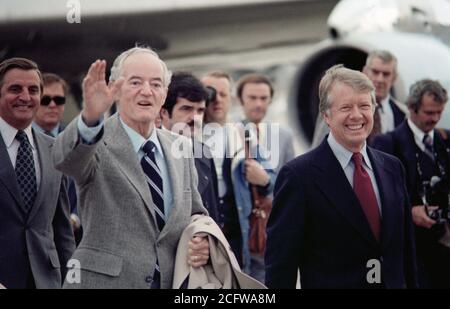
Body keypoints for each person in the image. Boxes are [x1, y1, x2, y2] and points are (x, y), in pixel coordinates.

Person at [52, 47, 209, 289]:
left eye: (156, 84)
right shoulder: (96, 140)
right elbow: (65, 160)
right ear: (115, 88)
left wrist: (200, 235)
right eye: (135, 82)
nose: (146, 91)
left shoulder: (181, 148)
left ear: (165, 93)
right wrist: (90, 118)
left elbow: (195, 212)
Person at [265, 65, 417, 288]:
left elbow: (406, 252)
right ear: (326, 115)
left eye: (364, 106)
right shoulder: (299, 176)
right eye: (346, 107)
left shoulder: (392, 168)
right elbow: (281, 266)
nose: (356, 115)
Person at [0, 58, 75, 289]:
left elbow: (62, 229)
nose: (25, 97)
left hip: (47, 281)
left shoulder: (54, 149)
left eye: (33, 90)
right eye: (15, 89)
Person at [372, 79, 450, 288]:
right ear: (412, 109)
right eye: (429, 113)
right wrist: (411, 211)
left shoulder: (446, 139)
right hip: (410, 250)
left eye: (439, 112)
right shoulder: (386, 143)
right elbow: (379, 196)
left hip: (445, 246)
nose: (435, 119)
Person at [312, 50, 407, 147]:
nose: (380, 79)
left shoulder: (404, 114)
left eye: (386, 74)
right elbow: (318, 149)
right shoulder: (334, 108)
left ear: (394, 78)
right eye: (375, 72)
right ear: (365, 72)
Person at [160, 71, 219, 222]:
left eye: (200, 110)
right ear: (164, 113)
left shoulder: (203, 151)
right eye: (186, 108)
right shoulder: (152, 151)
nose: (195, 117)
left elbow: (213, 211)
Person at [32, 72, 82, 245]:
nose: (52, 105)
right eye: (46, 100)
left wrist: (75, 217)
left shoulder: (78, 140)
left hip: (71, 239)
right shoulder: (19, 139)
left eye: (59, 100)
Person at [236, 73, 295, 172]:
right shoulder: (227, 132)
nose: (258, 104)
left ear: (270, 100)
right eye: (252, 98)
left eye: (263, 98)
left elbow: (291, 176)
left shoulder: (284, 135)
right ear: (240, 99)